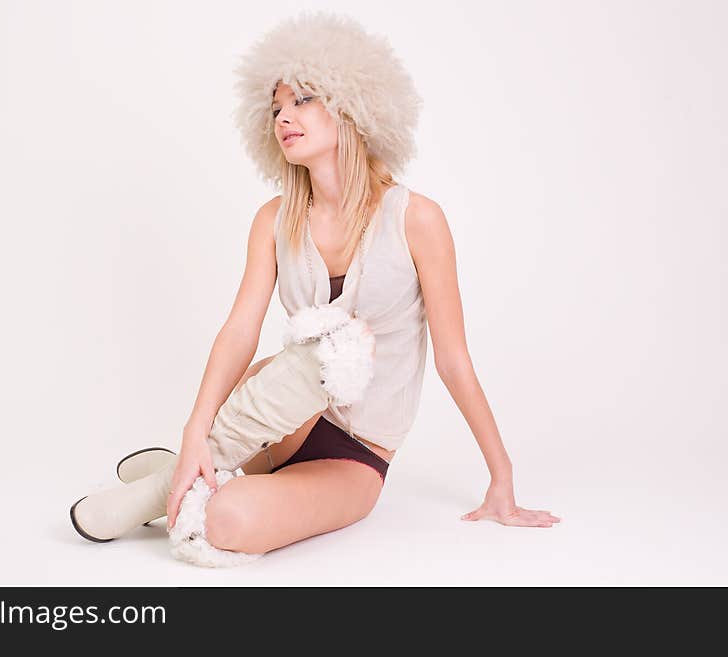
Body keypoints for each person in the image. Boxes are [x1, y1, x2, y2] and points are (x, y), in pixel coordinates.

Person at [70, 11, 560, 565]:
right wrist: (193, 431)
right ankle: (182, 466)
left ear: (352, 105)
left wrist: (503, 476)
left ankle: (165, 483)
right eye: (276, 107)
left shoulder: (417, 219)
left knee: (224, 520)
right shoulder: (273, 220)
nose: (284, 117)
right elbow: (240, 332)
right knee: (304, 360)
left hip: (355, 455)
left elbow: (453, 358)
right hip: (282, 413)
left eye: (303, 99)